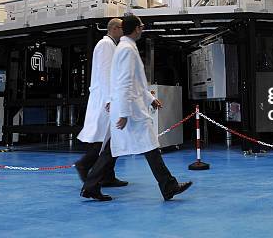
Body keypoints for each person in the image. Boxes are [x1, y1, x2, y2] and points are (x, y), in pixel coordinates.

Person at [81, 14, 192, 201]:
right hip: (130, 111)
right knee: (146, 147)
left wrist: (149, 98)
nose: (142, 29)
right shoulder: (126, 49)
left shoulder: (125, 47)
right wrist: (123, 113)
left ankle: (91, 187)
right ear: (137, 29)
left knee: (117, 149)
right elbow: (124, 83)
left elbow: (134, 82)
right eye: (141, 26)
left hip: (128, 108)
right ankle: (168, 186)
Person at [75, 18, 127, 190]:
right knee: (103, 138)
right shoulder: (105, 45)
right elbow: (105, 74)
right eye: (122, 28)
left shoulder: (111, 45)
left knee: (111, 138)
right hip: (105, 100)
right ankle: (84, 165)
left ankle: (107, 176)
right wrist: (109, 99)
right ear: (113, 29)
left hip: (109, 98)